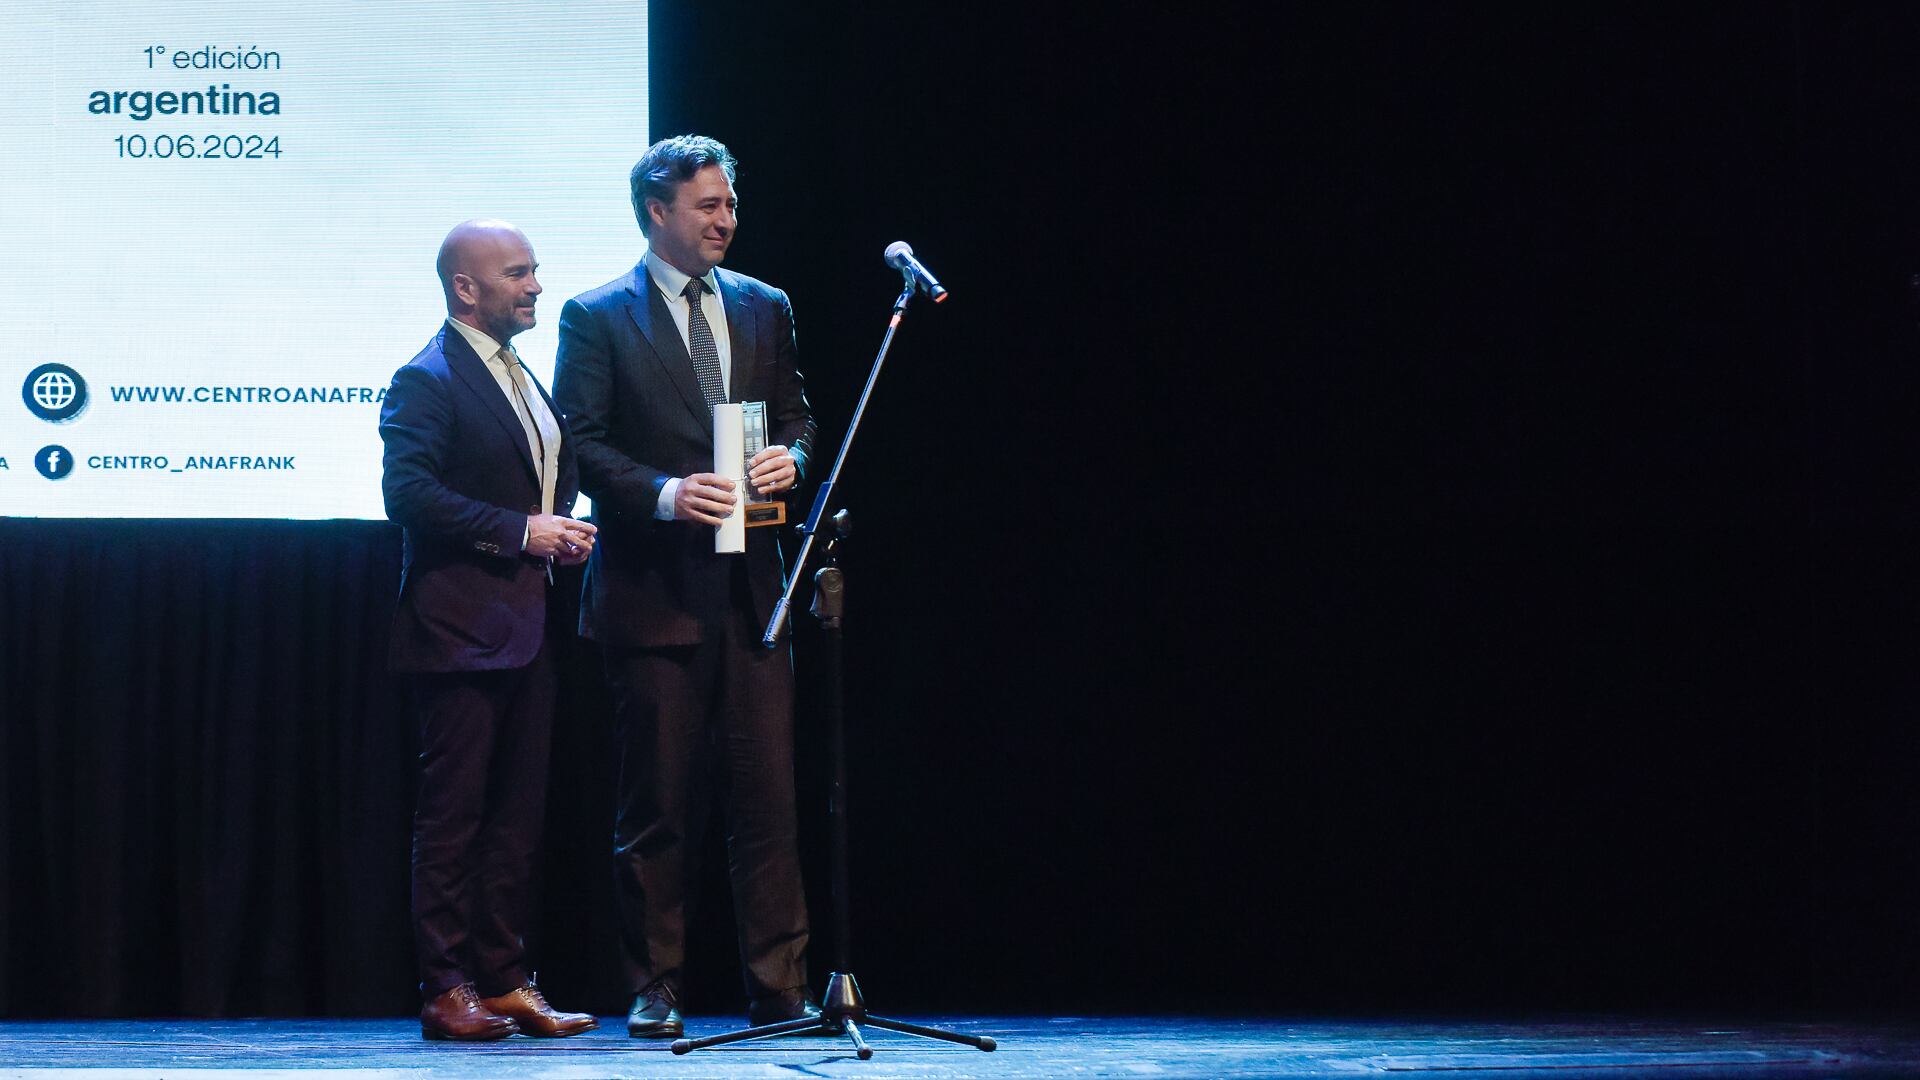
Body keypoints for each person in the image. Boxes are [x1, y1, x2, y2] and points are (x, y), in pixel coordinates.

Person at [553, 135, 819, 1039]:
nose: (726, 221)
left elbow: (797, 417)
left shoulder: (764, 305)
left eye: (730, 204)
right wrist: (664, 494)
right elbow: (580, 443)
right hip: (651, 594)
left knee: (769, 803)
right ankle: (655, 983)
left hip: (754, 594)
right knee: (657, 805)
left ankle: (780, 985)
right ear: (656, 212)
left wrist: (793, 458)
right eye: (707, 207)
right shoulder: (597, 317)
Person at [380, 219, 600, 1041]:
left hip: (529, 625)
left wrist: (559, 530)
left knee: (517, 817)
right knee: (454, 817)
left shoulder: (519, 374)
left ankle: (504, 979)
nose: (535, 286)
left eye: (535, 271)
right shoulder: (428, 377)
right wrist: (520, 532)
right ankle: (445, 988)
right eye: (517, 273)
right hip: (458, 630)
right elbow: (409, 494)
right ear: (466, 288)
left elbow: (549, 477)